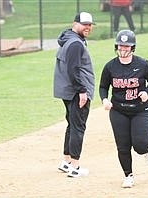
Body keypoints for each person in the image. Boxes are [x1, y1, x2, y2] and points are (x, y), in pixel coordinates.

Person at [99, 30, 148, 188]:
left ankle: (147, 151)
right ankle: (128, 176)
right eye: (120, 46)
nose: (123, 49)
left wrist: (146, 91)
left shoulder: (142, 64)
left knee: (141, 145)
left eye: (126, 46)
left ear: (132, 48)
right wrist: (104, 99)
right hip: (118, 110)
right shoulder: (110, 66)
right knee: (123, 145)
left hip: (140, 110)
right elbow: (103, 87)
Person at [53, 12, 95, 178]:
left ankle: (67, 161)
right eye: (84, 24)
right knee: (78, 126)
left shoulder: (68, 39)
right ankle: (75, 166)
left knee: (72, 125)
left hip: (68, 91)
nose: (88, 27)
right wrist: (82, 90)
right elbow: (73, 69)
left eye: (90, 25)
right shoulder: (75, 44)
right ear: (75, 23)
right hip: (76, 92)